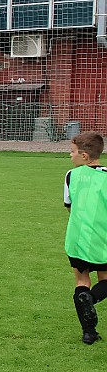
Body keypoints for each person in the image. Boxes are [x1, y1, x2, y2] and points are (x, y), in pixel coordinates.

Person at [64, 131, 107, 345]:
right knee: (105, 280)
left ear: (84, 156)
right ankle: (92, 298)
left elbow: (69, 207)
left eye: (72, 152)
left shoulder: (71, 176)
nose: (69, 156)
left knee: (82, 281)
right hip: (102, 239)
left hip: (76, 240)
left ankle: (89, 332)